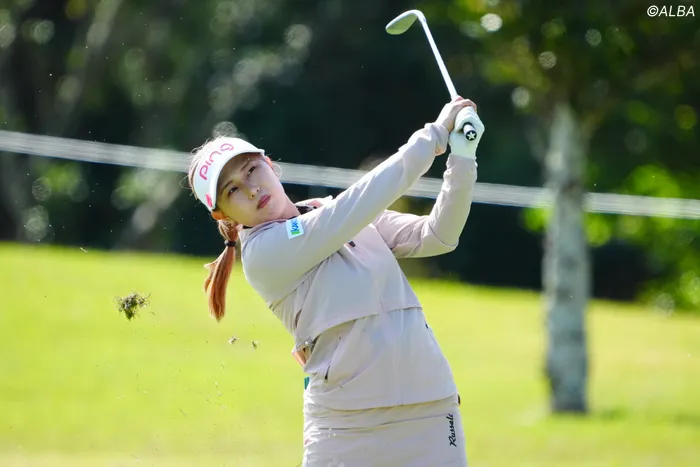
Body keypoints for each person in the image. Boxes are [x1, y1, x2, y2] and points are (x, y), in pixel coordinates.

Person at [187, 96, 485, 466]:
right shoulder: (265, 253)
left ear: (270, 165)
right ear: (224, 215)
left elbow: (438, 235)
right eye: (232, 190)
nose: (250, 189)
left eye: (251, 170)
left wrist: (462, 158)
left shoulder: (329, 211)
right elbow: (357, 204)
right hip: (347, 428)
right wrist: (434, 135)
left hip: (430, 410)